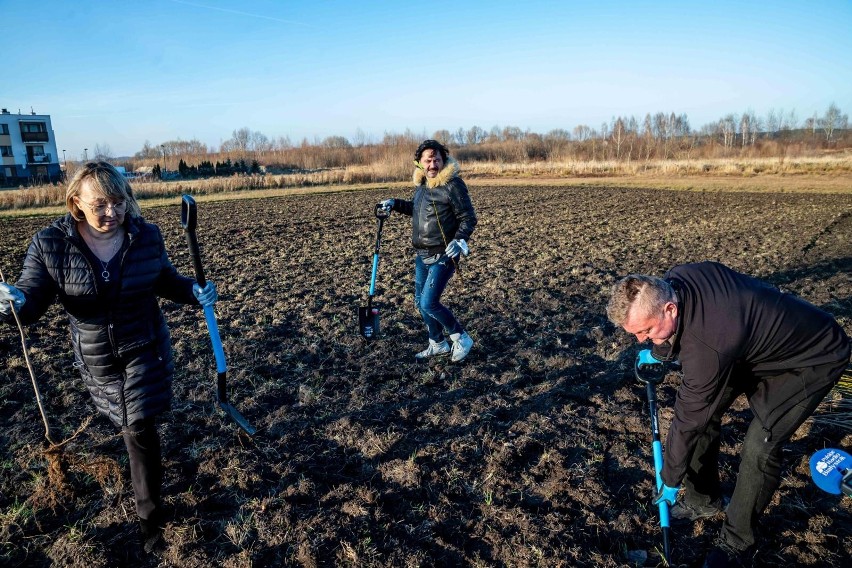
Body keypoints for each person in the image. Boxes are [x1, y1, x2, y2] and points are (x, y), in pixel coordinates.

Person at [0, 162, 218, 553]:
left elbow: (163, 278)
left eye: (118, 203)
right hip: (97, 358)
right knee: (127, 423)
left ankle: (150, 521)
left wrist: (193, 291)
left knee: (139, 426)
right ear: (76, 203)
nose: (112, 213)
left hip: (145, 346)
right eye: (100, 204)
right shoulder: (50, 245)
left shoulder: (145, 236)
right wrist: (14, 301)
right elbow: (31, 304)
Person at [607, 261, 850, 568]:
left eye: (645, 331)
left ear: (669, 308)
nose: (640, 339)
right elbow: (682, 343)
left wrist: (669, 478)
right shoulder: (678, 279)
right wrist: (658, 351)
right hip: (751, 346)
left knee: (760, 445)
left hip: (813, 356)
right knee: (704, 417)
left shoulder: (709, 345)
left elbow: (687, 417)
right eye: (636, 334)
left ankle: (737, 540)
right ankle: (702, 500)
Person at [377, 140, 477, 362]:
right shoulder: (423, 185)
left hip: (444, 254)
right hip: (422, 255)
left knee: (428, 302)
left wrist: (460, 240)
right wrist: (394, 203)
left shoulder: (453, 185)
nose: (433, 165)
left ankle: (461, 337)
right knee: (419, 303)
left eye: (437, 159)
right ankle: (437, 343)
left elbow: (468, 218)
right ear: (420, 163)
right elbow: (416, 209)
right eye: (428, 160)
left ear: (444, 160)